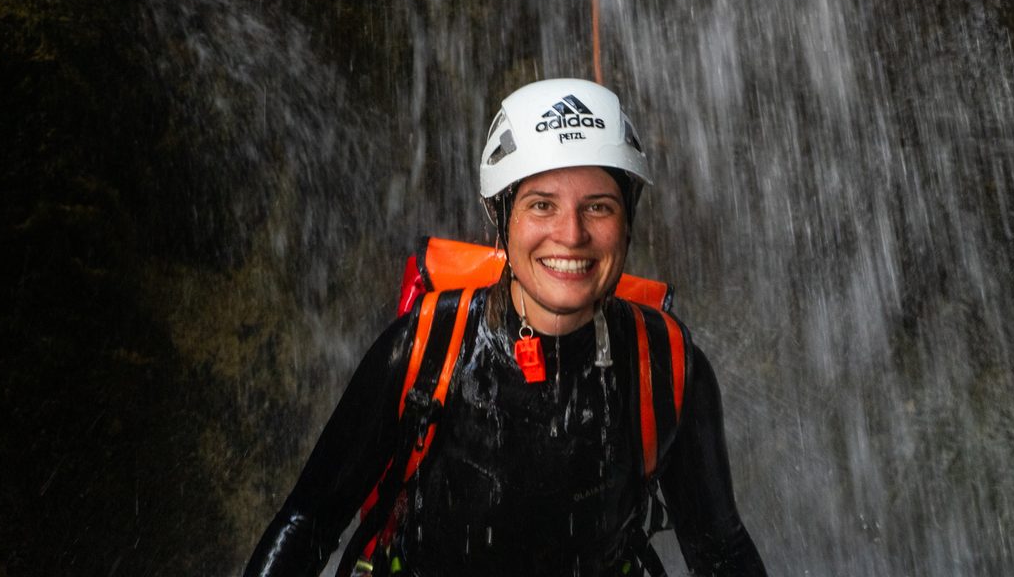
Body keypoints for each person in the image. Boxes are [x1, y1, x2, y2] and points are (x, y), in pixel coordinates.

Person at [243, 78, 768, 577]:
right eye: (542, 205)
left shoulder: (667, 365)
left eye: (599, 207)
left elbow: (720, 550)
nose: (571, 234)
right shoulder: (426, 347)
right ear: (501, 219)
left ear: (626, 223)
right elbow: (308, 520)